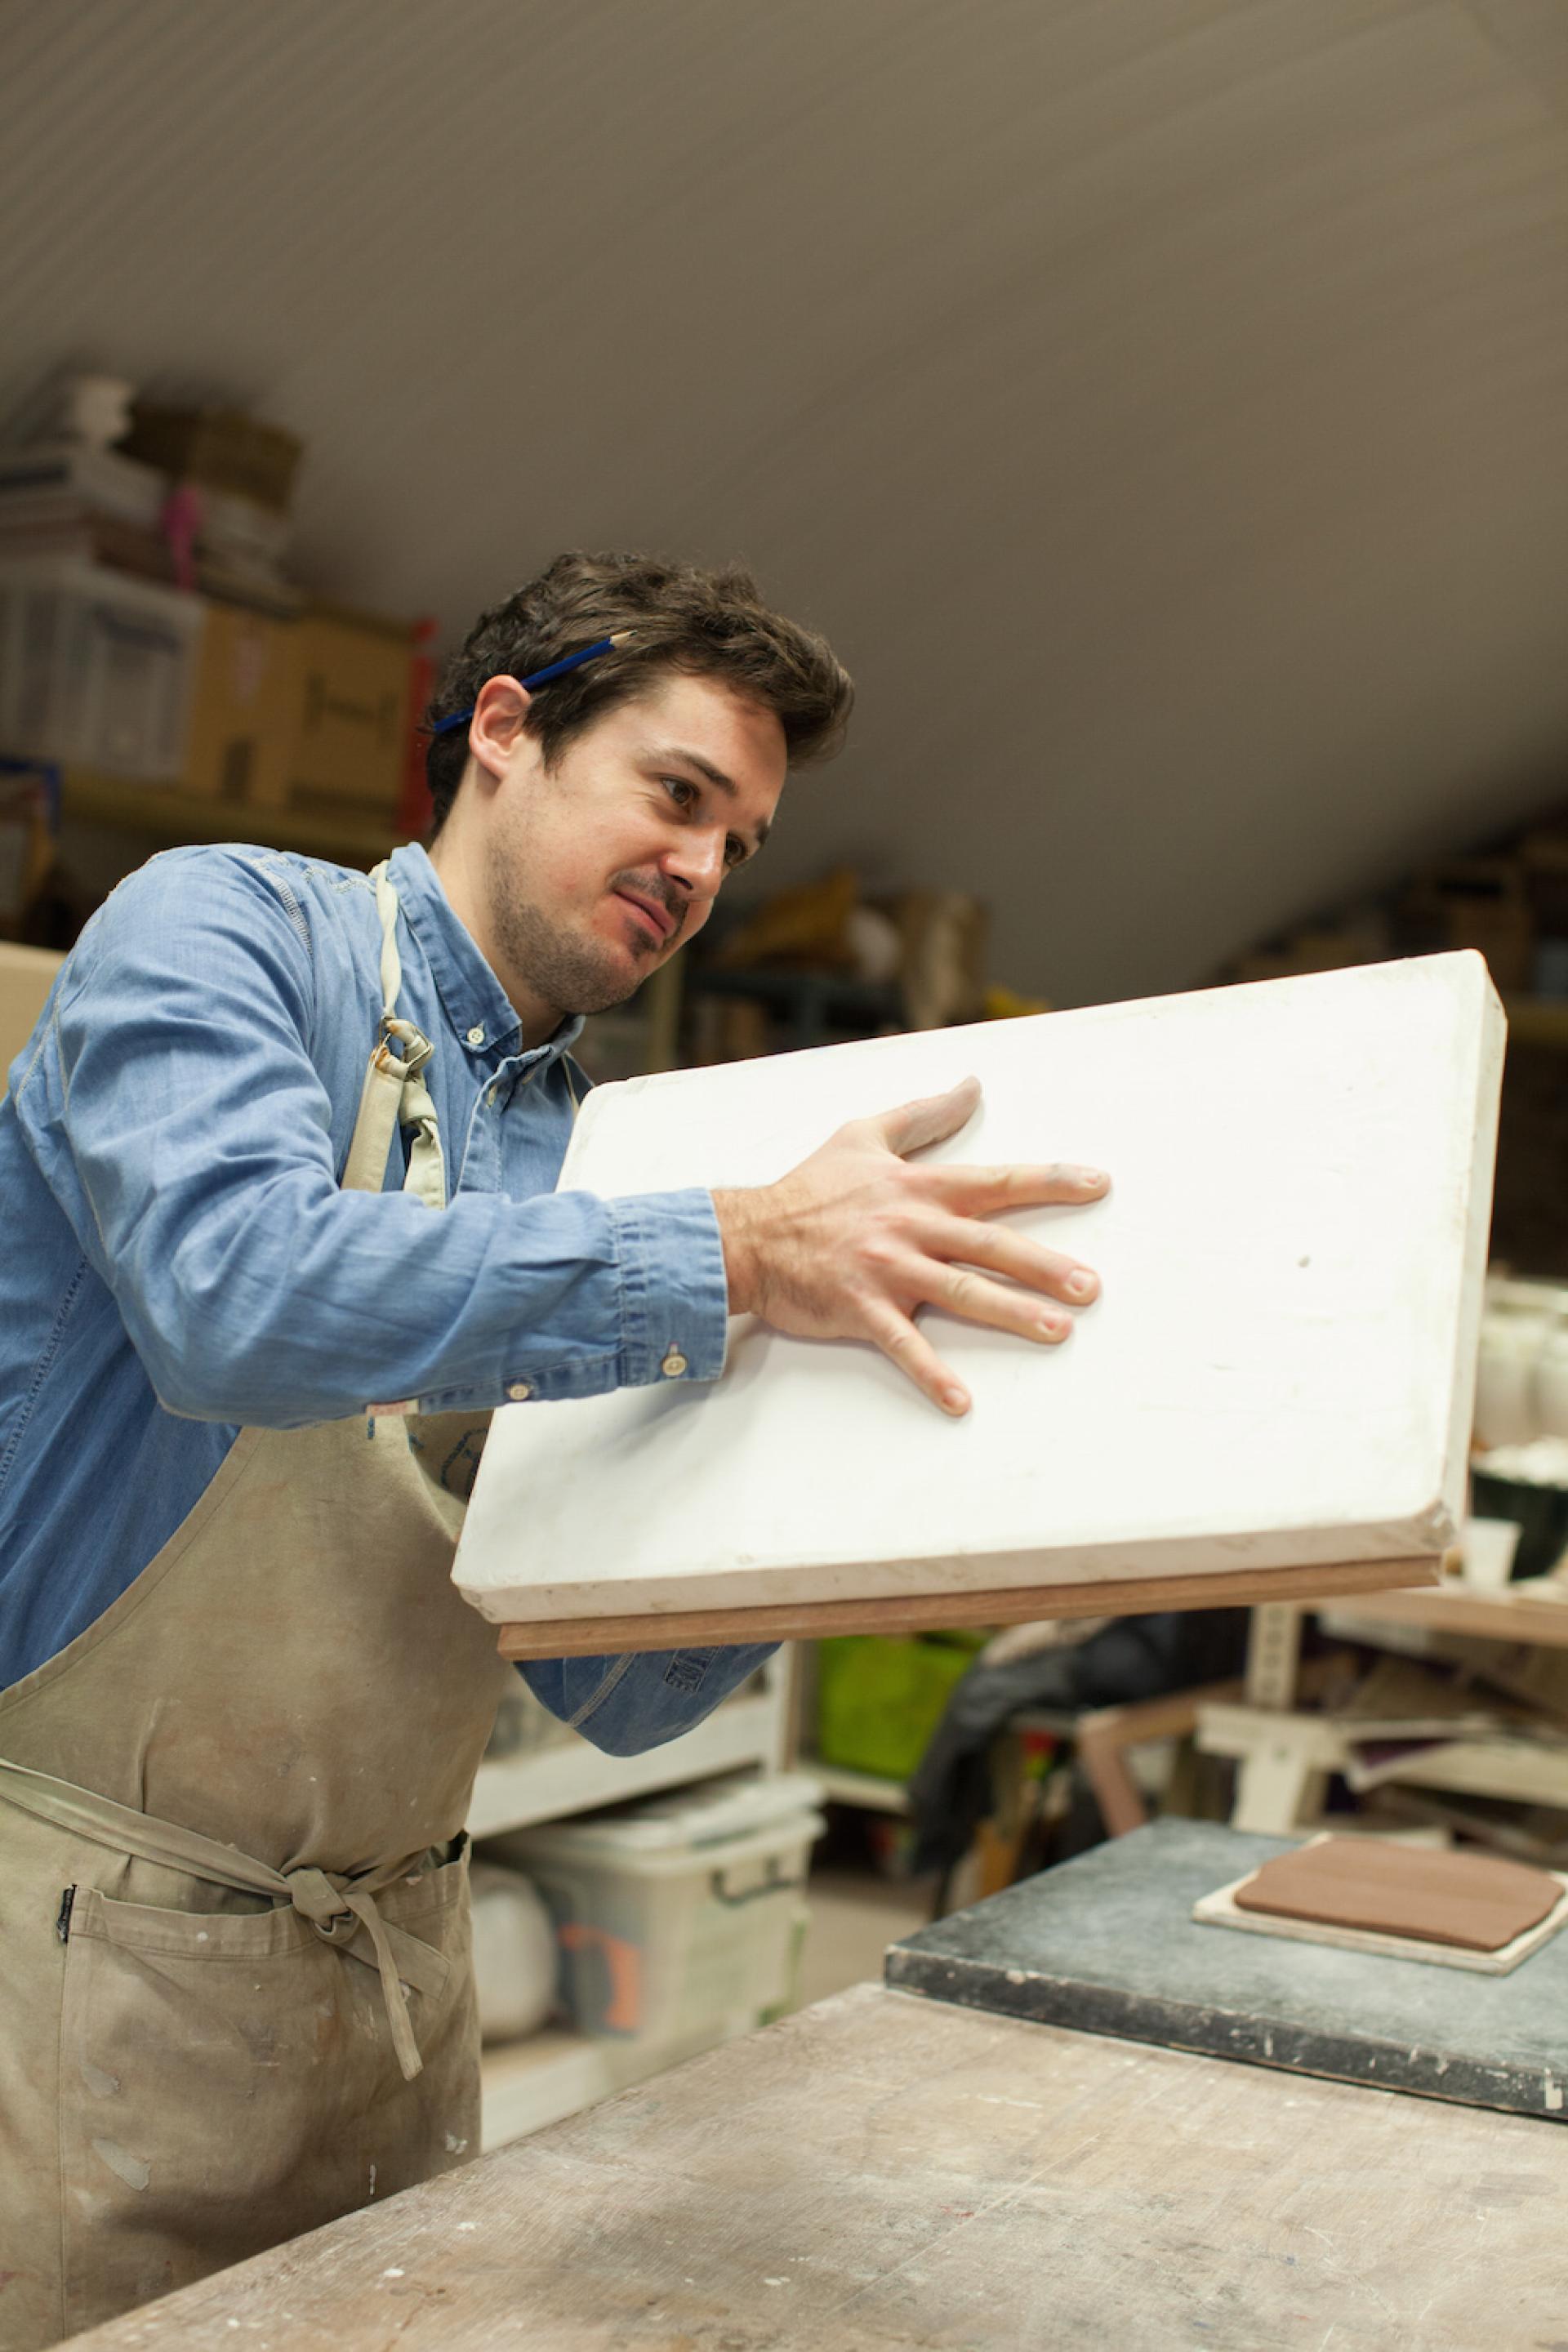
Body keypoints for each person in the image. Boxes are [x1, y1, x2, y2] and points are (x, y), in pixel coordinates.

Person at [0, 550, 1107, 2347]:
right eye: (677, 794)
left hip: (390, 1989)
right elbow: (232, 1298)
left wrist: (870, 1476)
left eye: (740, 843)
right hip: (72, 1968)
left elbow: (622, 1689)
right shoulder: (228, 930)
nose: (702, 869)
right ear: (505, 729)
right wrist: (736, 1256)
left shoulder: (600, 1148)